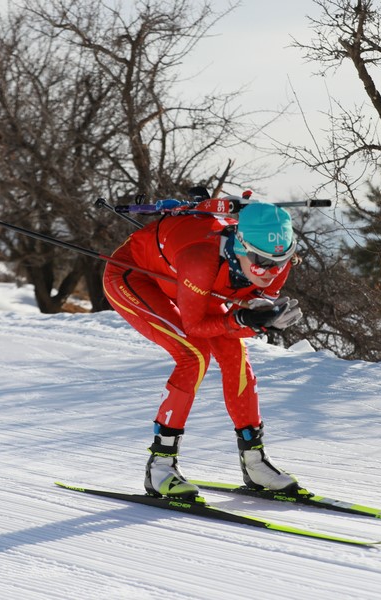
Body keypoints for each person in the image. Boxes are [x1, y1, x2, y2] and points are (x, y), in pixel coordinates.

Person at [102, 200, 304, 498]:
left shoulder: (273, 265)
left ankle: (255, 462)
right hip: (136, 276)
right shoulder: (200, 260)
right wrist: (245, 319)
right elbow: (195, 326)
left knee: (236, 359)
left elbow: (247, 311)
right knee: (193, 355)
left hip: (198, 286)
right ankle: (160, 467)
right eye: (260, 263)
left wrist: (263, 318)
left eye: (281, 262)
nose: (270, 273)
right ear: (240, 247)